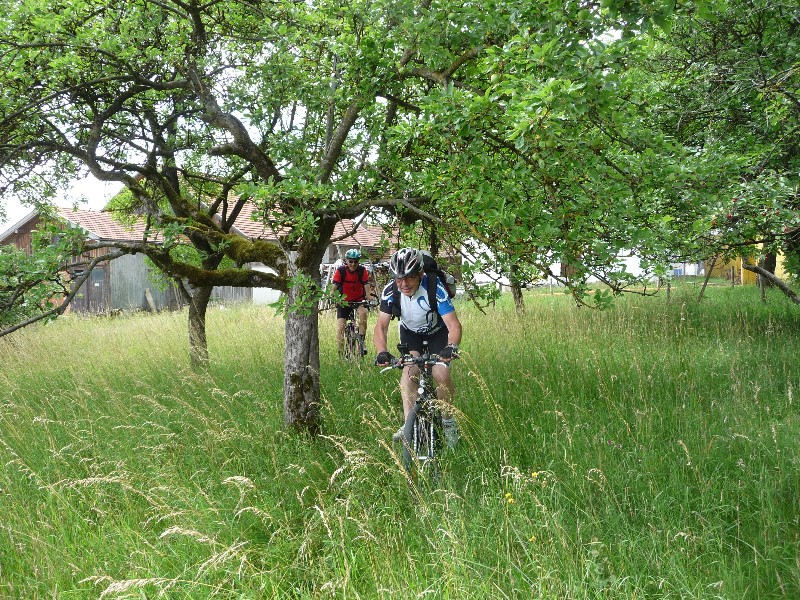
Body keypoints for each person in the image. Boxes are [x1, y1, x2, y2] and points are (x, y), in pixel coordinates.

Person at [374, 247, 462, 447]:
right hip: (410, 335)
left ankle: (448, 422)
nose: (403, 284)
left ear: (421, 274)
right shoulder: (390, 291)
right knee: (409, 371)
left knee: (441, 373)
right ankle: (408, 425)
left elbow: (454, 325)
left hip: (437, 334)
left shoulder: (435, 288)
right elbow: (381, 326)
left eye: (409, 278)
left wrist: (451, 346)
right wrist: (382, 351)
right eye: (399, 279)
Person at [332, 248, 374, 356]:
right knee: (341, 327)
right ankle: (340, 352)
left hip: (358, 300)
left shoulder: (362, 270)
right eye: (351, 261)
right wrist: (333, 298)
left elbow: (366, 286)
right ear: (346, 261)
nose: (353, 264)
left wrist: (370, 297)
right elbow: (333, 288)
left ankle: (361, 343)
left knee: (363, 314)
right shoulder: (340, 271)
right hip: (343, 302)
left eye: (356, 261)